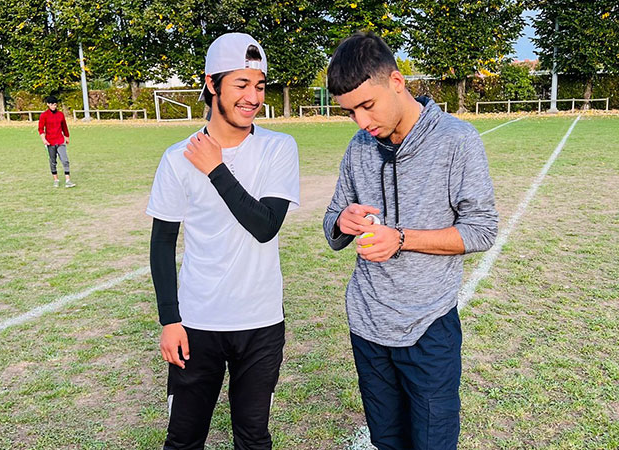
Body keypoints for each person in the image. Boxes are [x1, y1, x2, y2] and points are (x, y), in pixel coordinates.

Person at [322, 32, 498, 450]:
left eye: (368, 105)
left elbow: (482, 229)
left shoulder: (457, 140)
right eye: (350, 112)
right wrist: (342, 220)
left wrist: (401, 239)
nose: (361, 122)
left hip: (428, 327)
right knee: (387, 441)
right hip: (367, 325)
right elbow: (332, 222)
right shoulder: (359, 147)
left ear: (397, 82)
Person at [146, 32, 300, 450]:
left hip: (261, 321)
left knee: (253, 438)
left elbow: (265, 225)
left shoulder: (278, 148)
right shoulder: (177, 157)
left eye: (260, 86)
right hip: (197, 322)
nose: (253, 97)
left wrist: (216, 168)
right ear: (212, 84)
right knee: (183, 438)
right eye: (241, 84)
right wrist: (169, 320)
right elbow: (162, 243)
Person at [38, 96, 75, 188]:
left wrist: (67, 136)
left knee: (65, 160)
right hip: (50, 142)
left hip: (60, 140)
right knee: (53, 161)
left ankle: (68, 180)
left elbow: (64, 126)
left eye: (55, 104)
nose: (53, 106)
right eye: (52, 105)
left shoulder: (60, 115)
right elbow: (41, 129)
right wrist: (44, 139)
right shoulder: (44, 115)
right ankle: (56, 179)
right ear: (48, 104)